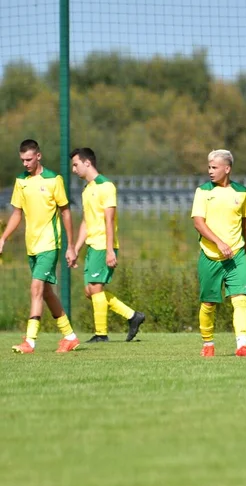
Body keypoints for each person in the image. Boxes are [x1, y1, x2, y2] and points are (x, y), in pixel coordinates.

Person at [0, 139, 80, 353]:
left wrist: (70, 246)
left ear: (38, 156)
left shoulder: (54, 180)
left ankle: (30, 341)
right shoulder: (21, 181)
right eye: (22, 160)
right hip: (31, 246)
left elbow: (66, 212)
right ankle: (70, 336)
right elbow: (17, 213)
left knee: (35, 288)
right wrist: (3, 237)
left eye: (29, 159)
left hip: (50, 244)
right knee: (45, 292)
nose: (25, 163)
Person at [68, 148, 146, 342]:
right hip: (93, 245)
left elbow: (109, 220)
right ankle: (132, 316)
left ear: (88, 163)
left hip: (103, 245)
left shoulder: (106, 186)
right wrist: (76, 248)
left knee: (95, 288)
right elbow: (86, 222)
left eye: (75, 165)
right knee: (90, 291)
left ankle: (101, 334)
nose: (73, 169)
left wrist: (110, 250)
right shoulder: (87, 190)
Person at [191, 149, 246, 357]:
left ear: (227, 169)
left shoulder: (242, 192)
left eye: (214, 167)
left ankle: (241, 345)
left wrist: (245, 246)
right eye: (209, 167)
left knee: (240, 299)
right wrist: (218, 242)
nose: (210, 171)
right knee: (208, 303)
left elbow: (244, 222)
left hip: (236, 255)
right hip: (210, 255)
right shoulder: (202, 192)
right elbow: (198, 223)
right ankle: (208, 344)